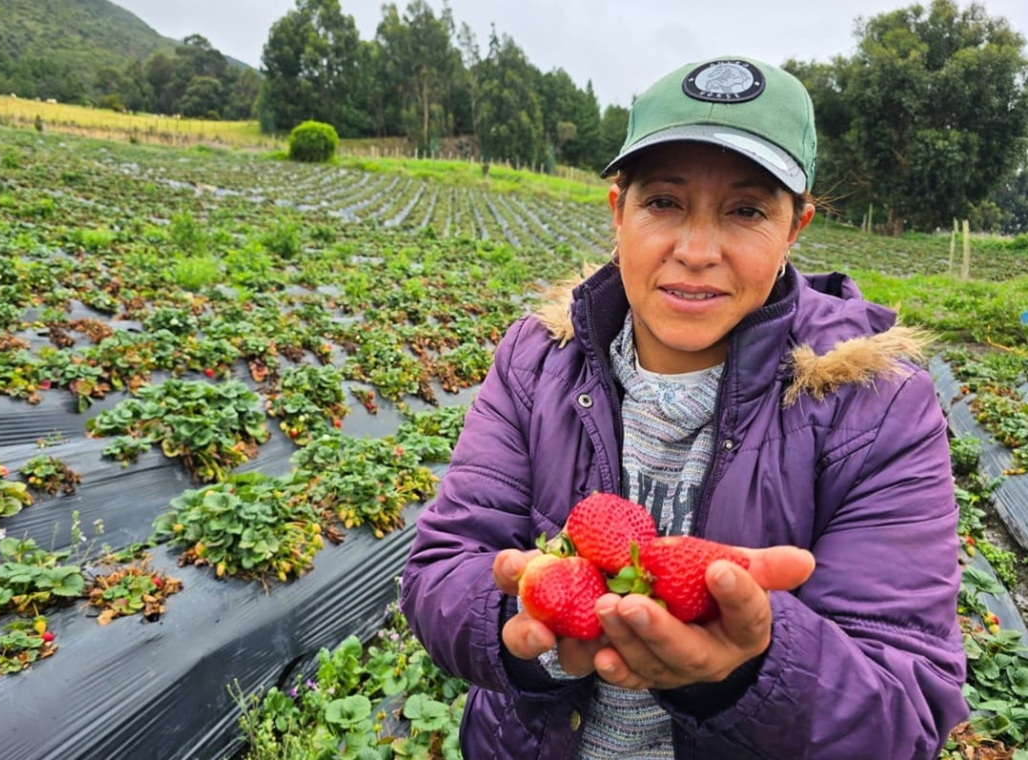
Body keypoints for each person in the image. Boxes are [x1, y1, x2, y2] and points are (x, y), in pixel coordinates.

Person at [399, 55, 968, 759]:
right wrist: (523, 631)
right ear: (618, 211)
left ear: (795, 228)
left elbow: (904, 705)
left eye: (748, 211)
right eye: (663, 202)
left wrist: (747, 669)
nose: (696, 251)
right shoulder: (536, 359)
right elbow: (438, 569)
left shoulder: (876, 403)